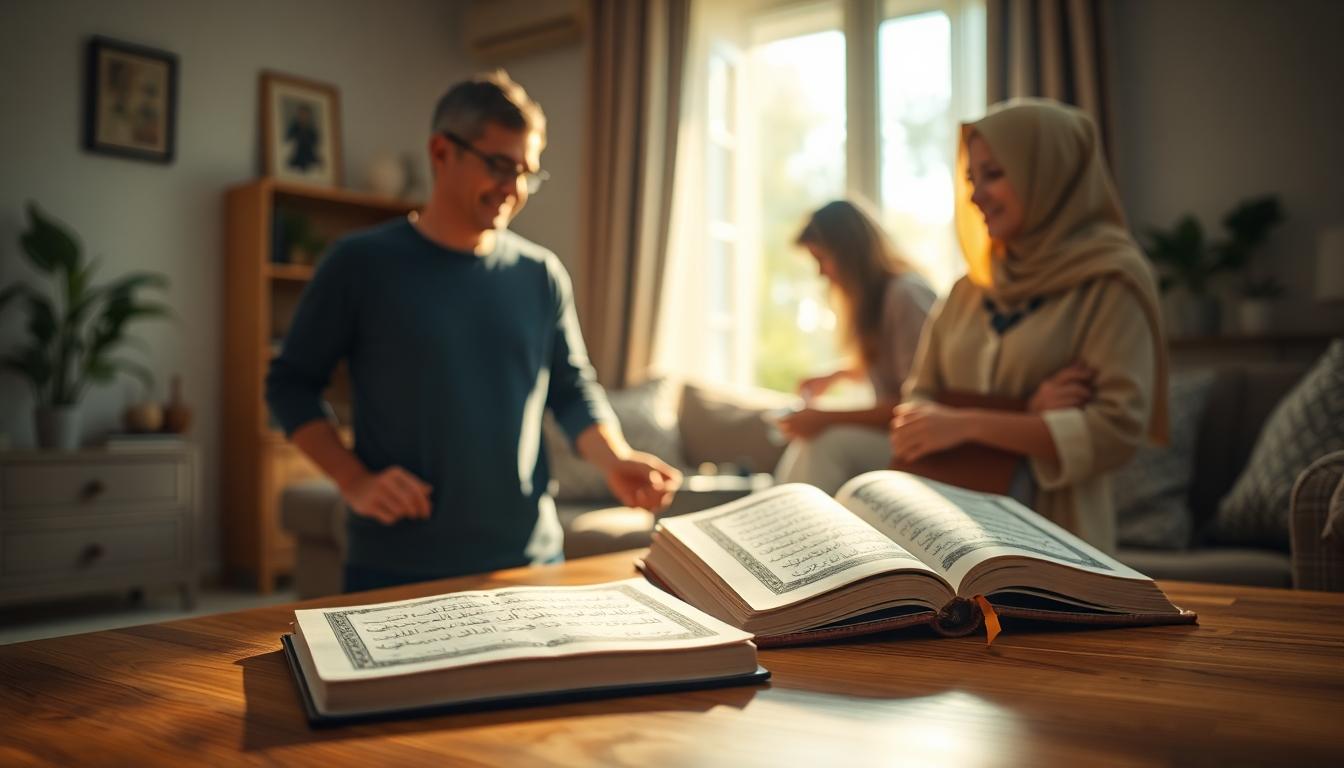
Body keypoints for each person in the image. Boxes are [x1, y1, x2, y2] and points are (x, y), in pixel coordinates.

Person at [266, 71, 682, 592]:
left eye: (527, 172)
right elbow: (289, 385)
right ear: (441, 152)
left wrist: (615, 460)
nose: (514, 189)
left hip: (530, 561)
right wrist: (354, 480)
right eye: (499, 166)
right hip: (395, 566)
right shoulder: (360, 264)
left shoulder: (541, 274)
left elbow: (572, 389)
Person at [890, 98, 1169, 553]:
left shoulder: (1111, 281)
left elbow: (1115, 432)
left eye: (994, 174)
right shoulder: (967, 290)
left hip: (1057, 536)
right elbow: (915, 410)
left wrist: (966, 424)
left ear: (1050, 175)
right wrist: (1025, 415)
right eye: (971, 179)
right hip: (947, 530)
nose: (975, 195)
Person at [773, 199, 936, 494]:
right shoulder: (881, 299)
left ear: (849, 253)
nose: (821, 273)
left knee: (827, 445)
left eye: (822, 259)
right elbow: (891, 366)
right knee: (812, 442)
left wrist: (824, 419)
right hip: (897, 437)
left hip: (924, 444)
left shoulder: (905, 295)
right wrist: (836, 375)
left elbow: (913, 404)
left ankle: (784, 520)